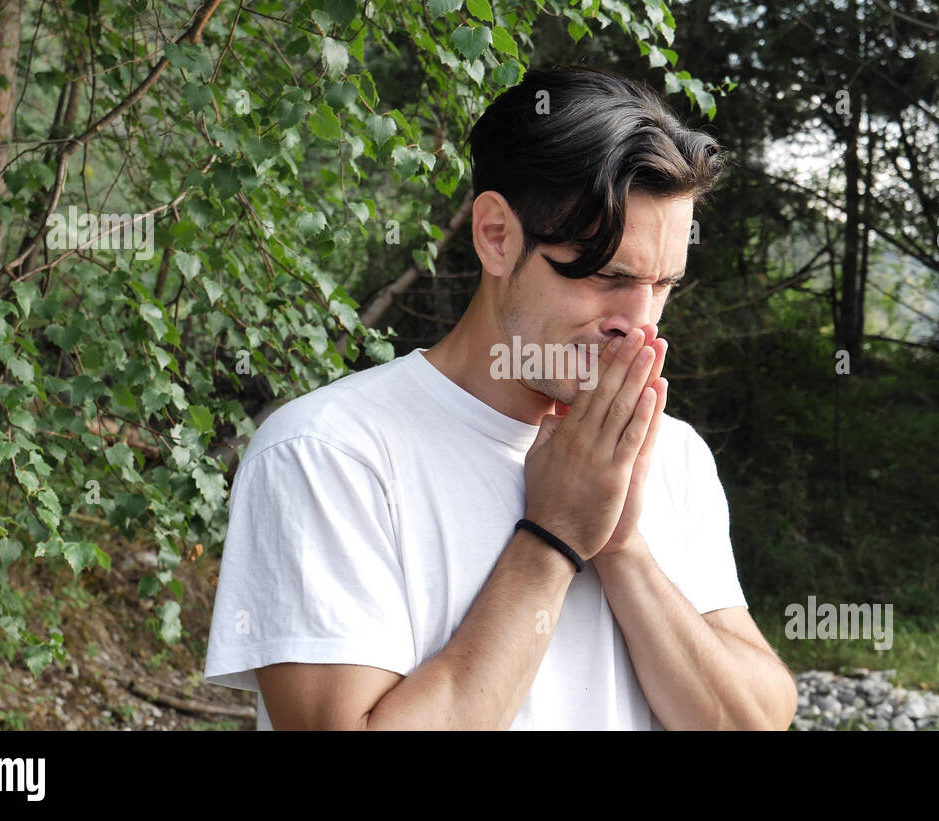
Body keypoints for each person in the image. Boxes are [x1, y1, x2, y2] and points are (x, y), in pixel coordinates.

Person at [203, 65, 797, 730]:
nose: (640, 322)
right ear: (495, 235)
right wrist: (553, 537)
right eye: (607, 276)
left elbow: (753, 720)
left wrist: (623, 546)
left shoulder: (675, 455)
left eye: (663, 285)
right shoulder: (327, 454)